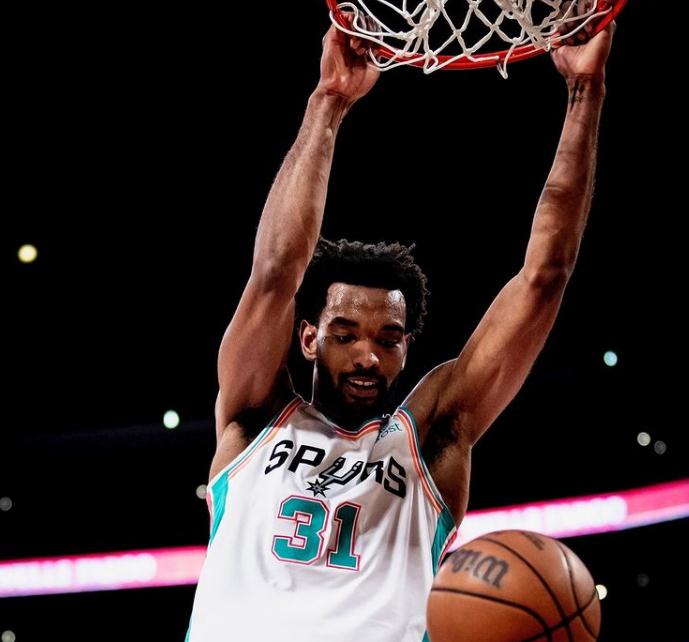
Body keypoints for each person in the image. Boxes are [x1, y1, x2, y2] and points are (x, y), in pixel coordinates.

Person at [184, 13, 615, 642]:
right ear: (308, 338)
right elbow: (276, 271)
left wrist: (584, 92)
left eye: (388, 339)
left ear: (407, 347)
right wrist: (329, 102)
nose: (368, 355)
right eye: (345, 335)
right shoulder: (252, 419)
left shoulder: (431, 437)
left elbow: (544, 276)